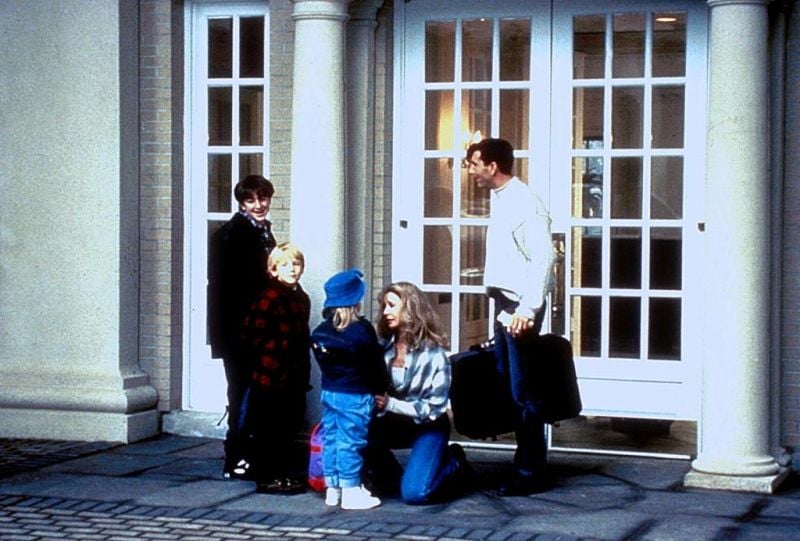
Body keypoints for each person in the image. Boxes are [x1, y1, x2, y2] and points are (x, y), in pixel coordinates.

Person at [465, 137, 555, 496]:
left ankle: (530, 471)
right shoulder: (502, 198)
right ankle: (526, 462)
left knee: (524, 390)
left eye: (474, 163)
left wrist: (527, 310)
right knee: (513, 385)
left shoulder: (523, 201)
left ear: (492, 166)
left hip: (519, 307)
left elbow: (544, 256)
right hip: (507, 304)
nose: (470, 170)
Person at [363, 282, 473, 505]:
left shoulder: (434, 355)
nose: (385, 312)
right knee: (358, 429)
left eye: (392, 305)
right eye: (384, 306)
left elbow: (434, 408)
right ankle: (398, 475)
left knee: (415, 494)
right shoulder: (382, 348)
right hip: (393, 424)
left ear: (410, 308)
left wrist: (391, 404)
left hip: (428, 425)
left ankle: (455, 462)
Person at [207, 174, 277, 479]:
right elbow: (224, 291)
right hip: (240, 332)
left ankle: (250, 455)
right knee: (240, 394)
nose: (259, 205)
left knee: (256, 394)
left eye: (263, 199)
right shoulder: (229, 236)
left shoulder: (263, 233)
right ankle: (234, 458)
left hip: (258, 329)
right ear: (241, 202)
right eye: (251, 200)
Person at [311, 269, 388, 510]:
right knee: (350, 442)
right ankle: (351, 489)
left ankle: (332, 488)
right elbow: (374, 366)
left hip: (329, 392)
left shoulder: (321, 332)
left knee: (332, 439)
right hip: (355, 395)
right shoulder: (361, 330)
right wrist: (380, 388)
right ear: (356, 300)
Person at [239, 242, 311, 494]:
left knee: (288, 427)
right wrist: (268, 362)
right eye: (285, 265)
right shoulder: (269, 296)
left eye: (296, 264)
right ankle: (266, 477)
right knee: (269, 428)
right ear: (273, 270)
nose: (292, 269)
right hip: (270, 376)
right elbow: (251, 336)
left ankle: (281, 473)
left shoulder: (300, 296)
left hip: (294, 374)